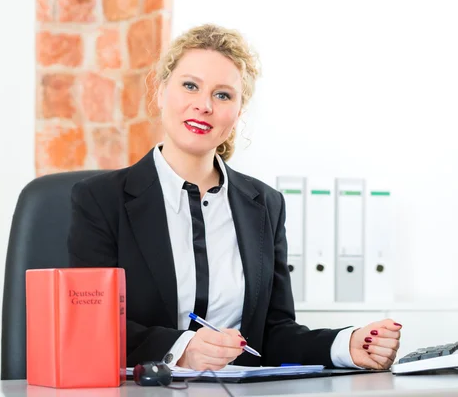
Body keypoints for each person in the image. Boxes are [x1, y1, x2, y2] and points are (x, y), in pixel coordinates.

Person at [68, 23, 402, 372]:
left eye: (223, 95)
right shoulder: (100, 200)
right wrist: (182, 349)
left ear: (239, 112)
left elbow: (272, 335)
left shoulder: (265, 205)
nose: (204, 105)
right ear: (161, 91)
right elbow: (91, 325)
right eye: (190, 86)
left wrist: (345, 345)